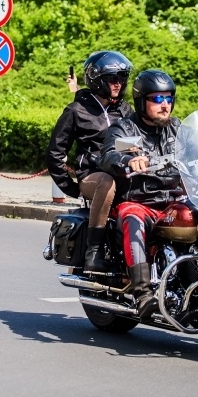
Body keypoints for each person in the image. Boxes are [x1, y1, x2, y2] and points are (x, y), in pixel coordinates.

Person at [100, 69, 181, 318]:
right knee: (131, 217)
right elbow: (109, 154)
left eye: (168, 98)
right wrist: (127, 160)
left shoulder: (178, 128)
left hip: (175, 199)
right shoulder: (125, 129)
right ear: (141, 100)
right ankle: (143, 293)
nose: (164, 105)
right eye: (157, 99)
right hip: (141, 200)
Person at [46, 51, 134, 272]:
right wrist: (70, 188)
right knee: (106, 182)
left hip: (124, 172)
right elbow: (56, 153)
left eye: (122, 78)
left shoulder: (125, 110)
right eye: (113, 79)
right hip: (93, 176)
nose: (118, 84)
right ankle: (93, 251)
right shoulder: (77, 110)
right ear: (97, 79)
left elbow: (137, 143)